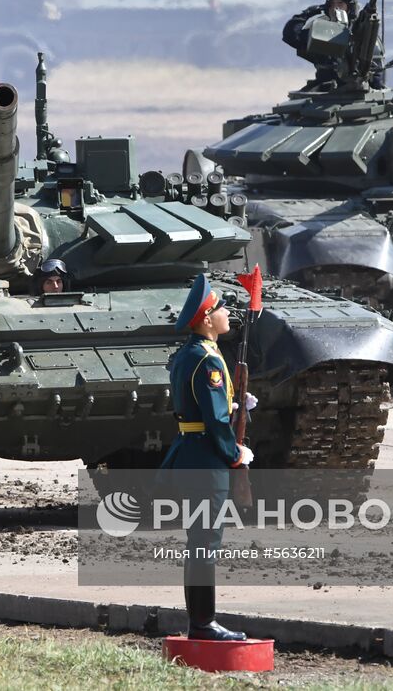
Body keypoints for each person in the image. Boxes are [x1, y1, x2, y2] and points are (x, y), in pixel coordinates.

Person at [159, 274, 253, 642]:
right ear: (206, 319)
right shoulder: (208, 361)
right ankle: (203, 624)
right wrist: (235, 453)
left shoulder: (191, 355)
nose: (227, 313)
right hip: (206, 461)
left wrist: (234, 404)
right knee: (205, 542)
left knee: (200, 540)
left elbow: (203, 408)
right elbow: (214, 420)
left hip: (190, 453)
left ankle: (201, 621)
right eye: (220, 308)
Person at [282, 0, 359, 87]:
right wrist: (309, 13)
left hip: (353, 90)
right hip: (325, 88)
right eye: (332, 4)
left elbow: (374, 66)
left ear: (349, 8)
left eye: (340, 3)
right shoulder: (321, 32)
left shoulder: (360, 32)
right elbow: (291, 34)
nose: (336, 8)